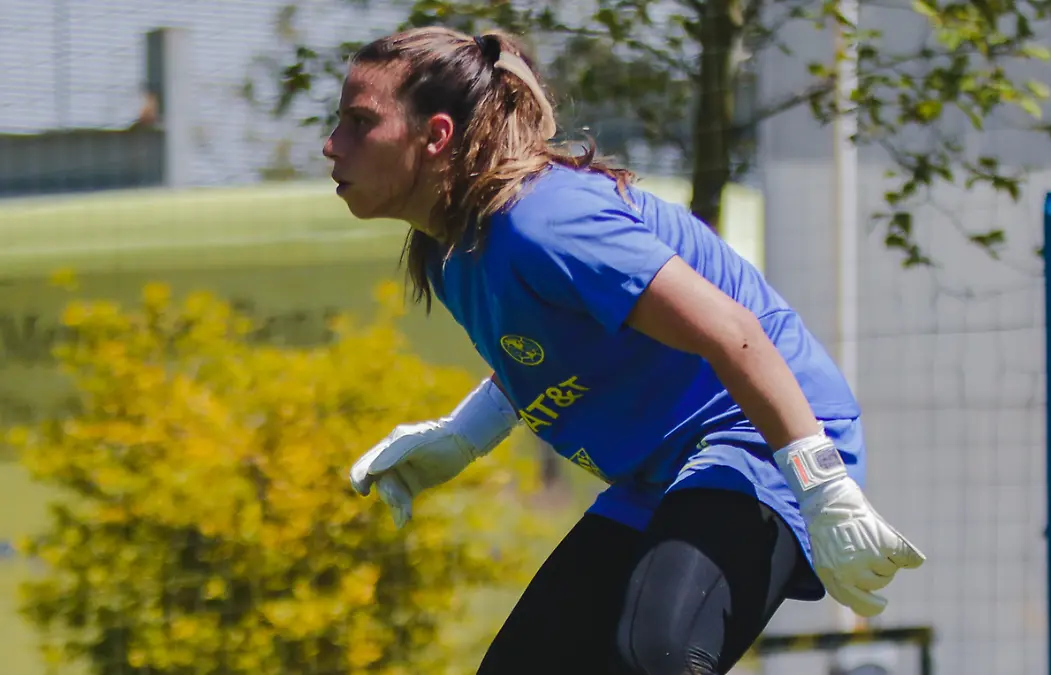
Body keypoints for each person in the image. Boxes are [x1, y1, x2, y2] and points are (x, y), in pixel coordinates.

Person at [326, 26, 925, 675]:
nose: (333, 145)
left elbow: (734, 332)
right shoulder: (448, 253)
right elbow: (551, 354)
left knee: (656, 657)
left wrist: (822, 485)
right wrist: (462, 437)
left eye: (360, 122)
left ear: (436, 135)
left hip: (760, 433)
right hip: (658, 472)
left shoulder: (544, 222)